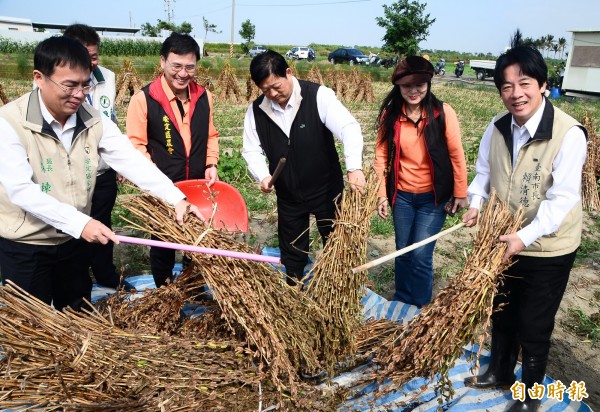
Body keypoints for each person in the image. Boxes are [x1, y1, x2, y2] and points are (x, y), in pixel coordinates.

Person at [0, 36, 204, 311]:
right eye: (69, 85)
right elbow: (21, 191)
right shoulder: (10, 122)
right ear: (39, 78)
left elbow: (131, 161)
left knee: (77, 311)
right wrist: (81, 223)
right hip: (27, 244)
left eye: (85, 84)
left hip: (72, 241)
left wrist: (175, 198)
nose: (79, 94)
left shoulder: (93, 118)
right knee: (31, 325)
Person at [462, 42, 587, 412]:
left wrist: (524, 237)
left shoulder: (568, 133)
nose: (516, 94)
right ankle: (499, 371)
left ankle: (529, 395)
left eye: (525, 83)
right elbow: (484, 172)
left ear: (543, 84)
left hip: (548, 248)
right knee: (502, 310)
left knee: (534, 323)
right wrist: (475, 204)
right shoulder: (497, 127)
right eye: (506, 86)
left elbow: (562, 200)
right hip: (504, 240)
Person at [242, 50, 366, 285]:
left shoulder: (318, 96)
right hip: (289, 194)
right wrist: (263, 176)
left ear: (288, 72)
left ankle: (338, 286)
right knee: (292, 249)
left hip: (326, 189)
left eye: (276, 86)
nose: (273, 94)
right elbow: (250, 149)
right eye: (265, 90)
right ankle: (294, 287)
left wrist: (354, 167)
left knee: (335, 241)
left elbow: (349, 128)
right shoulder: (256, 110)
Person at [373, 55, 468, 307]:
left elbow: (456, 154)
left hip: (433, 198)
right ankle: (402, 301)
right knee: (402, 250)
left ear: (428, 84)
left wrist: (460, 191)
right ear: (398, 87)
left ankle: (420, 305)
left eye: (419, 85)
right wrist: (382, 194)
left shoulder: (442, 113)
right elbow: (381, 156)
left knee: (420, 254)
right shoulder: (391, 115)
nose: (414, 91)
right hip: (402, 196)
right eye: (406, 86)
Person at [126, 32, 219, 288]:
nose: (183, 73)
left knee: (198, 242)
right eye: (176, 65)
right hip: (163, 187)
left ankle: (194, 289)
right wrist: (155, 182)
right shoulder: (144, 99)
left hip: (197, 184)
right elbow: (136, 146)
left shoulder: (204, 97)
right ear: (162, 62)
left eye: (190, 67)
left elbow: (211, 134)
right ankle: (166, 292)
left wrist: (211, 163)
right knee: (164, 244)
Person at [62, 23, 133, 291]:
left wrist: (120, 160)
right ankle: (76, 279)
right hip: (72, 174)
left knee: (103, 223)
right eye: (85, 56)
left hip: (102, 170)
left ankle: (105, 274)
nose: (92, 63)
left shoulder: (108, 78)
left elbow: (110, 119)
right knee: (74, 228)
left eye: (94, 56)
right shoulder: (57, 83)